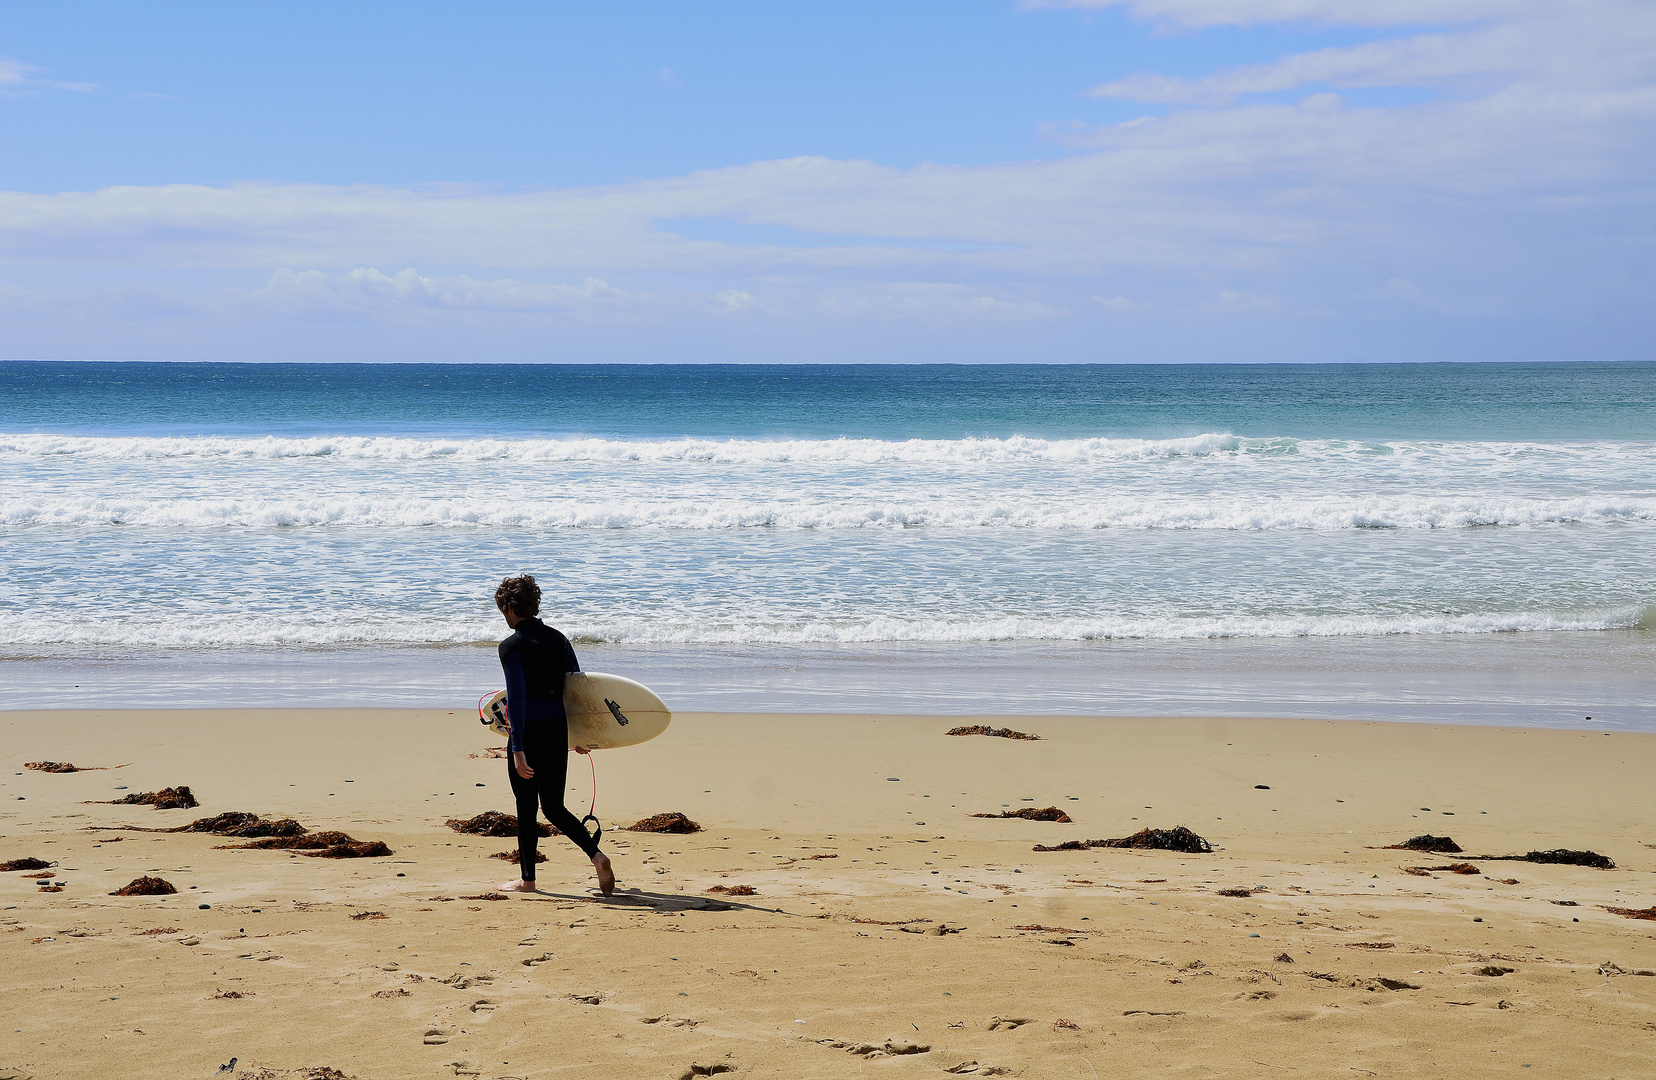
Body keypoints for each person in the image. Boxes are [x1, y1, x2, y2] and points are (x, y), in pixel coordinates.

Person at [492, 574, 615, 896]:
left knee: (526, 808)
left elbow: (516, 700)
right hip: (557, 730)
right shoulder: (558, 639)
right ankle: (596, 855)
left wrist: (518, 748)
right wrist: (582, 734)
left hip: (529, 733)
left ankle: (528, 881)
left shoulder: (511, 647)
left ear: (508, 608)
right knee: (554, 807)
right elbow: (576, 689)